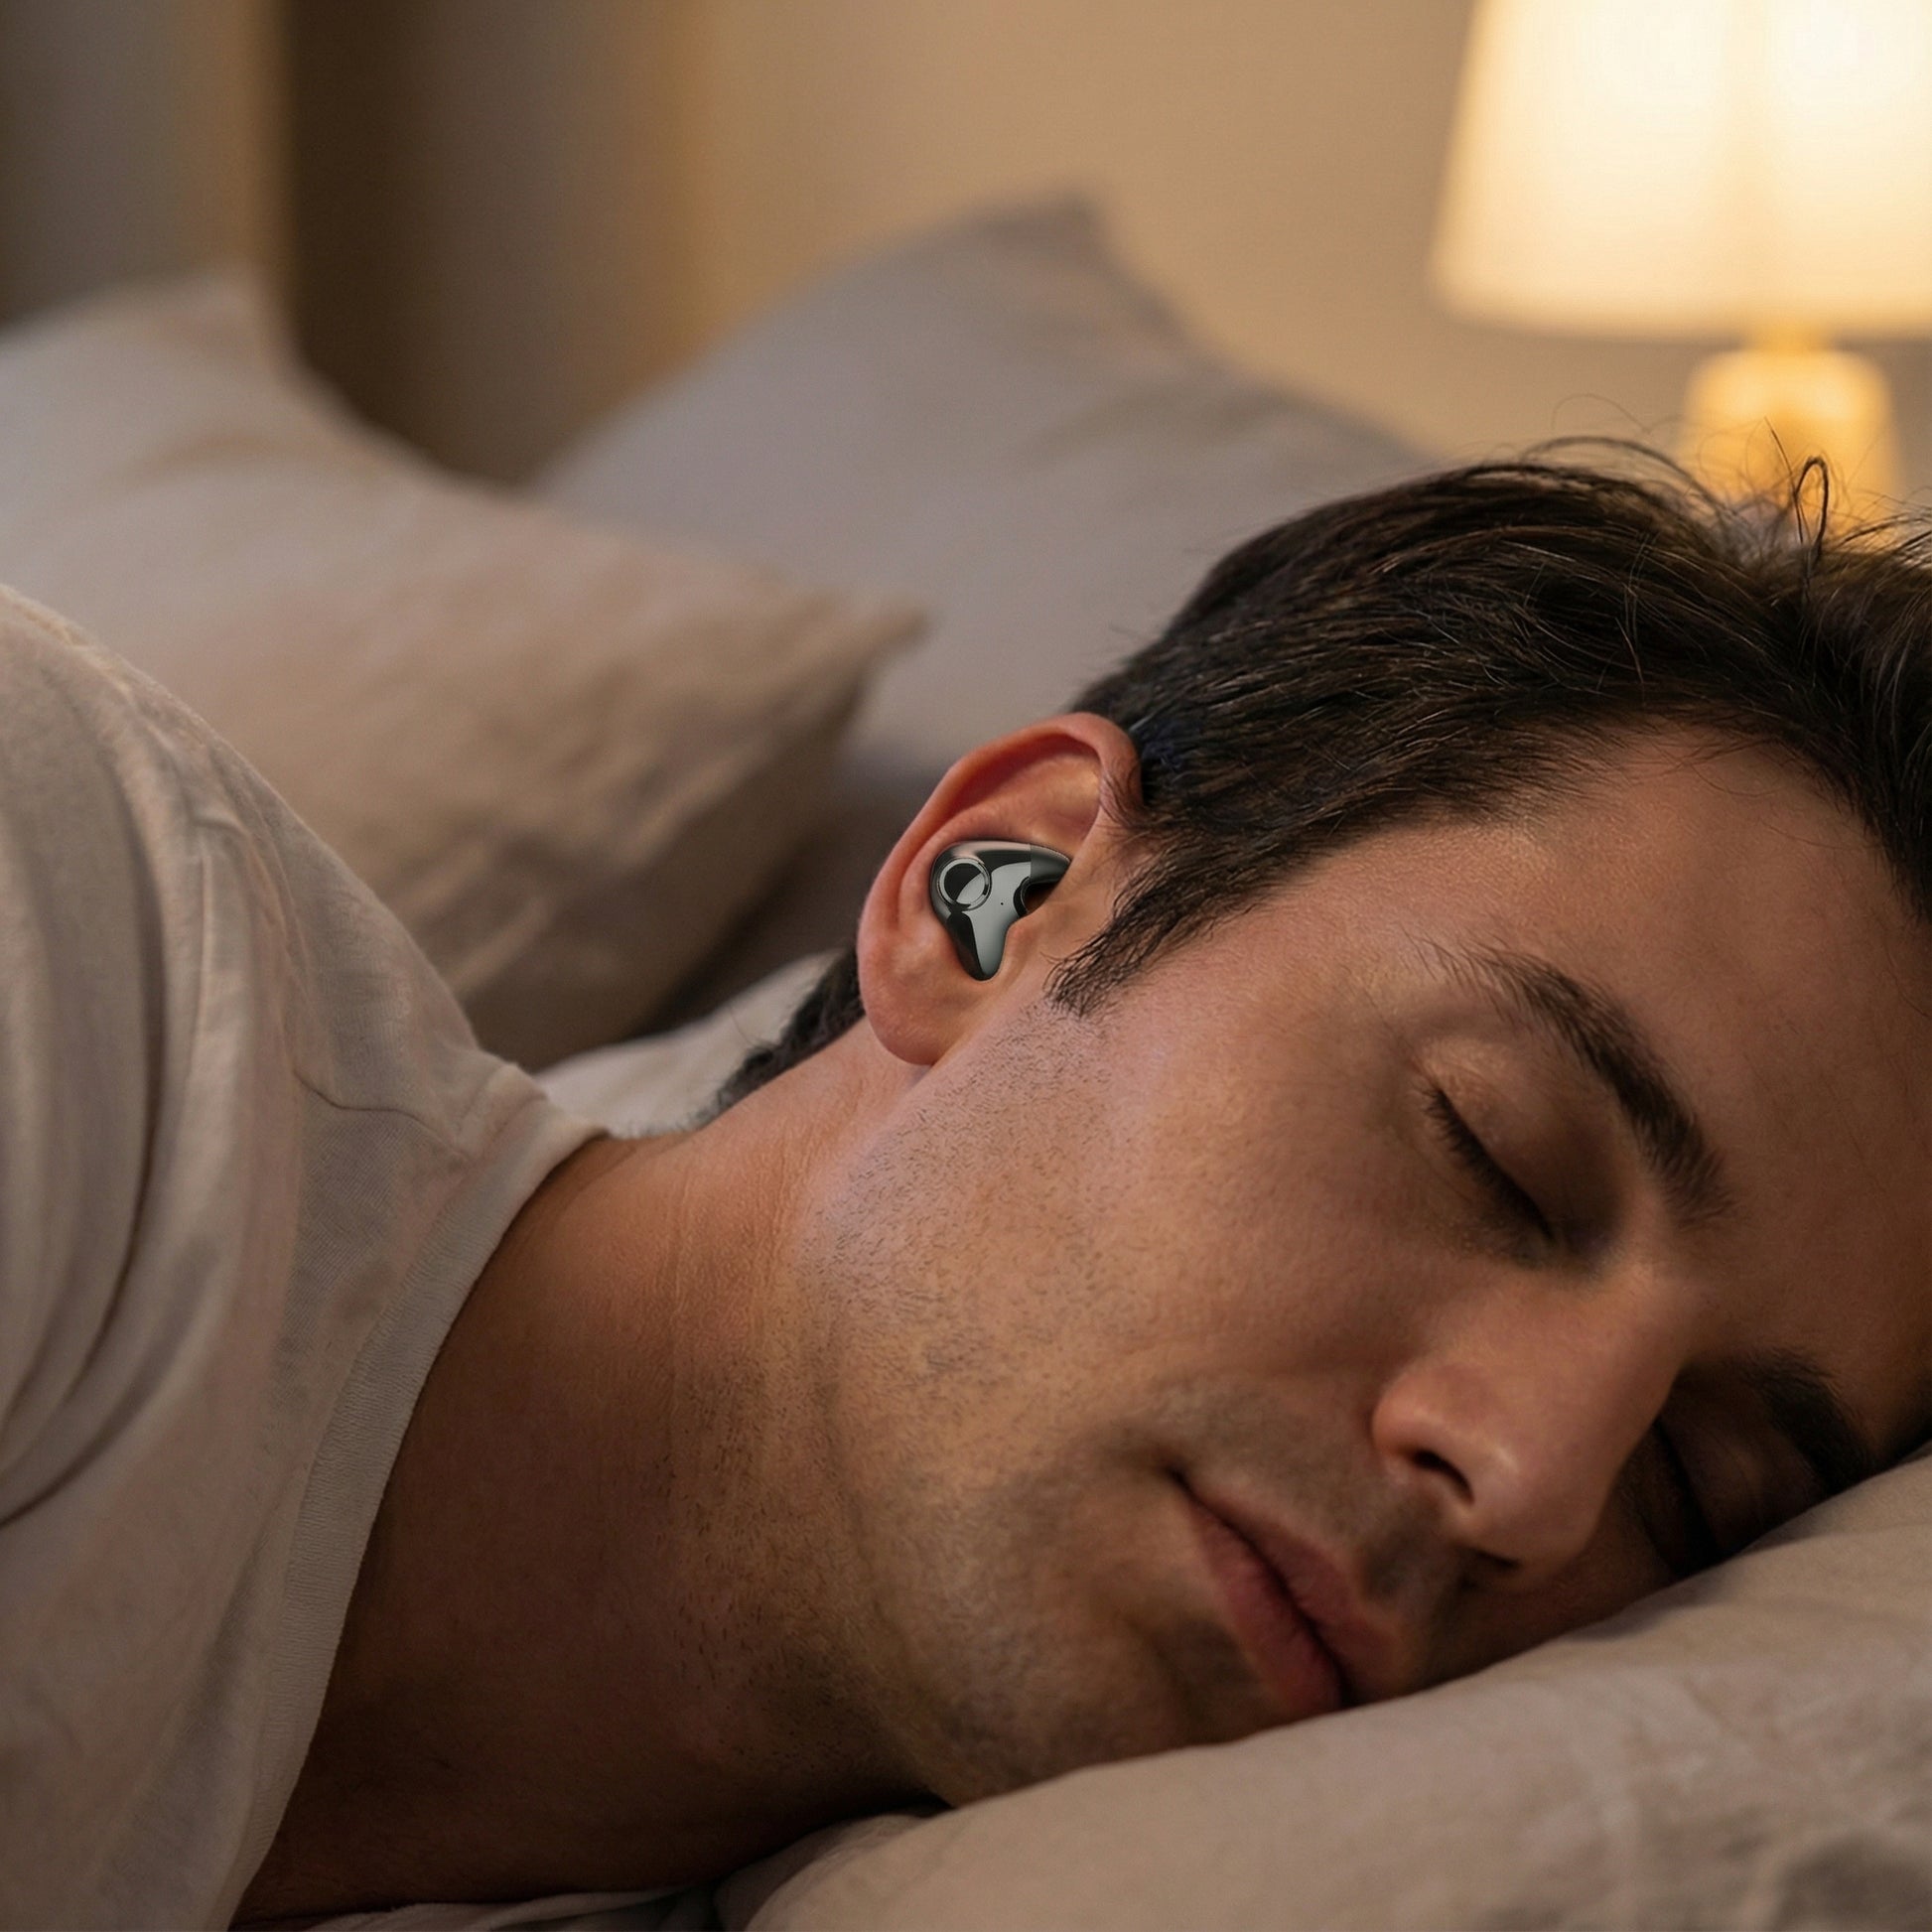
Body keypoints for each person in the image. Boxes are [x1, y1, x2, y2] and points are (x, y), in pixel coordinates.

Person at [4, 457, 1930, 1930]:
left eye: (1693, 1485)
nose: (1534, 1480)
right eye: (1490, 1151)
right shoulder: (83, 949)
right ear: (990, 897)